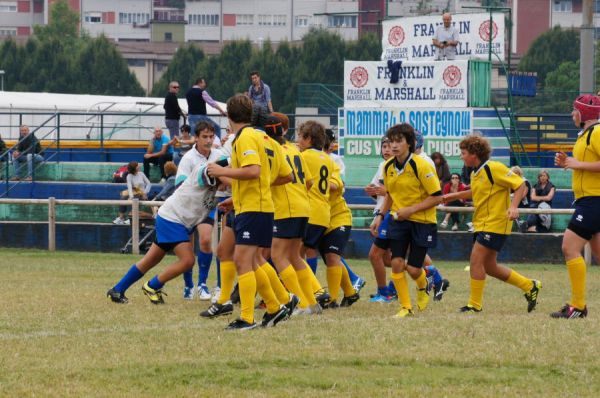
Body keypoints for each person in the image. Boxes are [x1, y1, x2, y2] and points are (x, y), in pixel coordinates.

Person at [206, 93, 289, 330]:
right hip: (256, 205)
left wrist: (221, 172)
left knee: (243, 261)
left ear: (229, 116)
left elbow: (253, 171)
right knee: (252, 261)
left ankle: (247, 318)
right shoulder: (263, 137)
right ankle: (274, 307)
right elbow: (284, 175)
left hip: (254, 207)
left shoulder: (243, 138)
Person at [442, 135, 541, 314]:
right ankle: (529, 285)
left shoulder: (493, 167)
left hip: (495, 223)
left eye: (463, 153)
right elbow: (475, 192)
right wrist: (452, 196)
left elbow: (521, 185)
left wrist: (513, 207)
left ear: (474, 153)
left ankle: (474, 305)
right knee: (489, 267)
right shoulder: (475, 172)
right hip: (482, 223)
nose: (461, 156)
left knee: (475, 261)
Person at [106, 153, 220, 305]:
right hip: (173, 219)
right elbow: (227, 177)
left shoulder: (219, 184)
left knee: (151, 259)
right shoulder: (205, 170)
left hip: (174, 219)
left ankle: (117, 289)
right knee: (188, 260)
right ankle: (153, 286)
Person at [370, 123, 443, 318]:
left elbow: (437, 197)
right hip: (398, 220)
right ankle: (405, 307)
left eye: (399, 141)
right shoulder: (387, 167)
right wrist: (379, 216)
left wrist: (411, 210)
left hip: (423, 221)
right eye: (391, 141)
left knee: (413, 268)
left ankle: (423, 284)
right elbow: (391, 195)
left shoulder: (423, 165)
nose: (394, 145)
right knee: (396, 262)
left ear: (409, 143)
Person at [551, 94, 600, 319]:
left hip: (593, 200)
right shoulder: (585, 135)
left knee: (569, 247)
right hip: (588, 200)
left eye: (575, 110)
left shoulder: (597, 132)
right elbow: (585, 166)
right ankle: (578, 306)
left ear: (584, 114)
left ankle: (578, 307)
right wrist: (567, 163)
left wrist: (576, 163)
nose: (572, 114)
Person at [175, 122, 224, 301]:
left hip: (207, 207)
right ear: (196, 138)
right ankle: (188, 285)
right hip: (187, 209)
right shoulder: (188, 159)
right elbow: (179, 185)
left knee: (205, 240)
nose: (208, 140)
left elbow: (226, 178)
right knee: (186, 249)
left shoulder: (219, 155)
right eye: (205, 136)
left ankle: (202, 284)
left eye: (211, 136)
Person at [114, 160, 152, 225]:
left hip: (141, 193)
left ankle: (131, 218)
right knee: (123, 198)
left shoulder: (141, 174)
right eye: (137, 165)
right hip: (133, 192)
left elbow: (149, 184)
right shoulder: (129, 176)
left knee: (135, 198)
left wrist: (145, 192)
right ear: (134, 168)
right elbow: (129, 187)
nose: (139, 166)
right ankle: (121, 218)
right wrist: (131, 197)